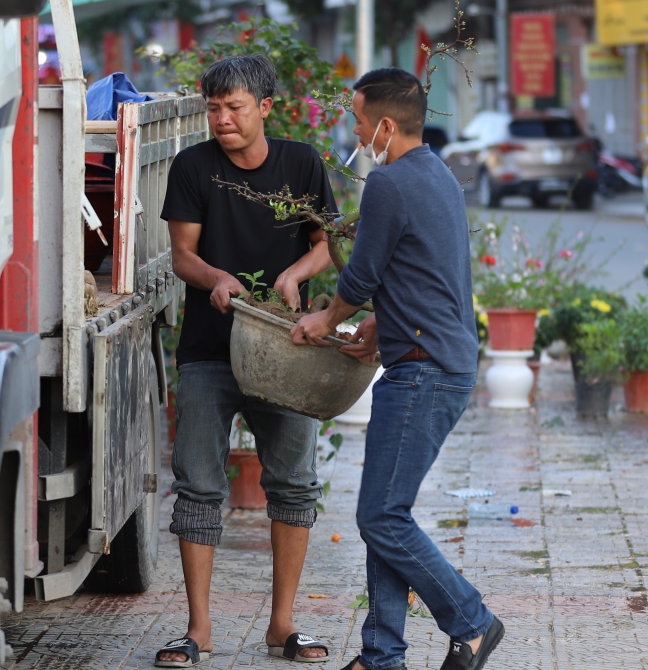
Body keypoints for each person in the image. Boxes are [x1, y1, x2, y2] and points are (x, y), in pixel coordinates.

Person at [291, 69, 503, 670]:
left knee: (380, 515)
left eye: (359, 121)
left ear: (385, 125)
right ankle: (380, 655)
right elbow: (428, 271)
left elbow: (361, 275)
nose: (355, 132)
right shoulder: (437, 174)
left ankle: (473, 621)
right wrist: (380, 328)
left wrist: (327, 318)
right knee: (389, 512)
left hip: (425, 370)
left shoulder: (387, 182)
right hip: (433, 359)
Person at [156, 54, 335, 668]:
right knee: (199, 487)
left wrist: (294, 274)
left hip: (288, 349)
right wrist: (217, 279)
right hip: (210, 348)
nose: (222, 118)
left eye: (234, 107)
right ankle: (198, 629)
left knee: (293, 484)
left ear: (264, 107)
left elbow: (325, 246)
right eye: (213, 107)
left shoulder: (303, 163)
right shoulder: (193, 166)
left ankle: (283, 625)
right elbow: (183, 254)